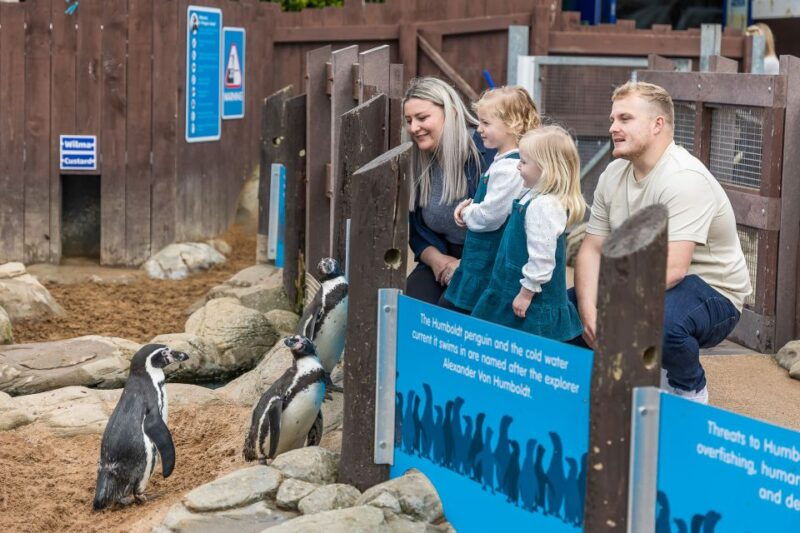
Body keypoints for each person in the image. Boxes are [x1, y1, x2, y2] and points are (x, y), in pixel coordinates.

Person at [572, 81, 751, 404]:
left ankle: (688, 390)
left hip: (712, 291)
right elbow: (591, 248)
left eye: (625, 119)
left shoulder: (684, 178)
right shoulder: (613, 174)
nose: (613, 127)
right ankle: (599, 387)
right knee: (563, 312)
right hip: (642, 277)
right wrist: (588, 311)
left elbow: (674, 269)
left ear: (658, 125)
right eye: (613, 119)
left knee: (662, 325)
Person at [471, 125, 585, 342]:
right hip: (510, 287)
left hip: (530, 304)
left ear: (546, 168)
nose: (518, 167)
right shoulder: (531, 195)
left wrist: (526, 293)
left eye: (523, 162)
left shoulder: (544, 206)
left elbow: (542, 259)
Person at [442, 86, 540, 313]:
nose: (479, 129)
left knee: (457, 313)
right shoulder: (503, 161)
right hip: (481, 261)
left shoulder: (509, 169)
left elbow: (490, 216)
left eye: (486, 123)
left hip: (487, 262)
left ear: (513, 124)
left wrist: (467, 212)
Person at [404, 77, 495, 305]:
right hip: (442, 256)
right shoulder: (417, 160)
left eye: (422, 118)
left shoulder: (487, 154)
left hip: (489, 263)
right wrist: (436, 259)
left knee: (449, 310)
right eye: (409, 120)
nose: (414, 128)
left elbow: (507, 228)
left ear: (452, 113)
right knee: (411, 304)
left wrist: (466, 264)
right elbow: (416, 228)